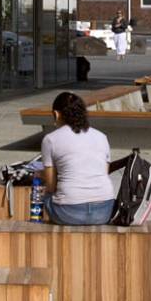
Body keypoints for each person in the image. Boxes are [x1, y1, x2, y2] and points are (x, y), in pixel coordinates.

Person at [38, 91, 116, 225]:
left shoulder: (50, 139)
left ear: (57, 114)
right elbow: (104, 172)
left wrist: (40, 175)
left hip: (68, 213)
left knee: (44, 195)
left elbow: (50, 186)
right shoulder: (102, 137)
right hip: (104, 211)